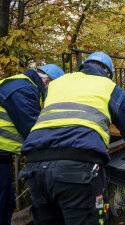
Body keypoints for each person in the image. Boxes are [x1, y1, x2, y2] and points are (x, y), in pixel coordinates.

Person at [19, 52, 125, 225]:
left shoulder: (58, 83)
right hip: (78, 168)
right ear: (108, 74)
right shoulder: (109, 87)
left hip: (34, 166)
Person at [0, 64, 65, 225]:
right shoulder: (24, 89)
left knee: (6, 201)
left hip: (2, 154)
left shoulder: (22, 85)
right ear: (48, 82)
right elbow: (33, 131)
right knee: (3, 202)